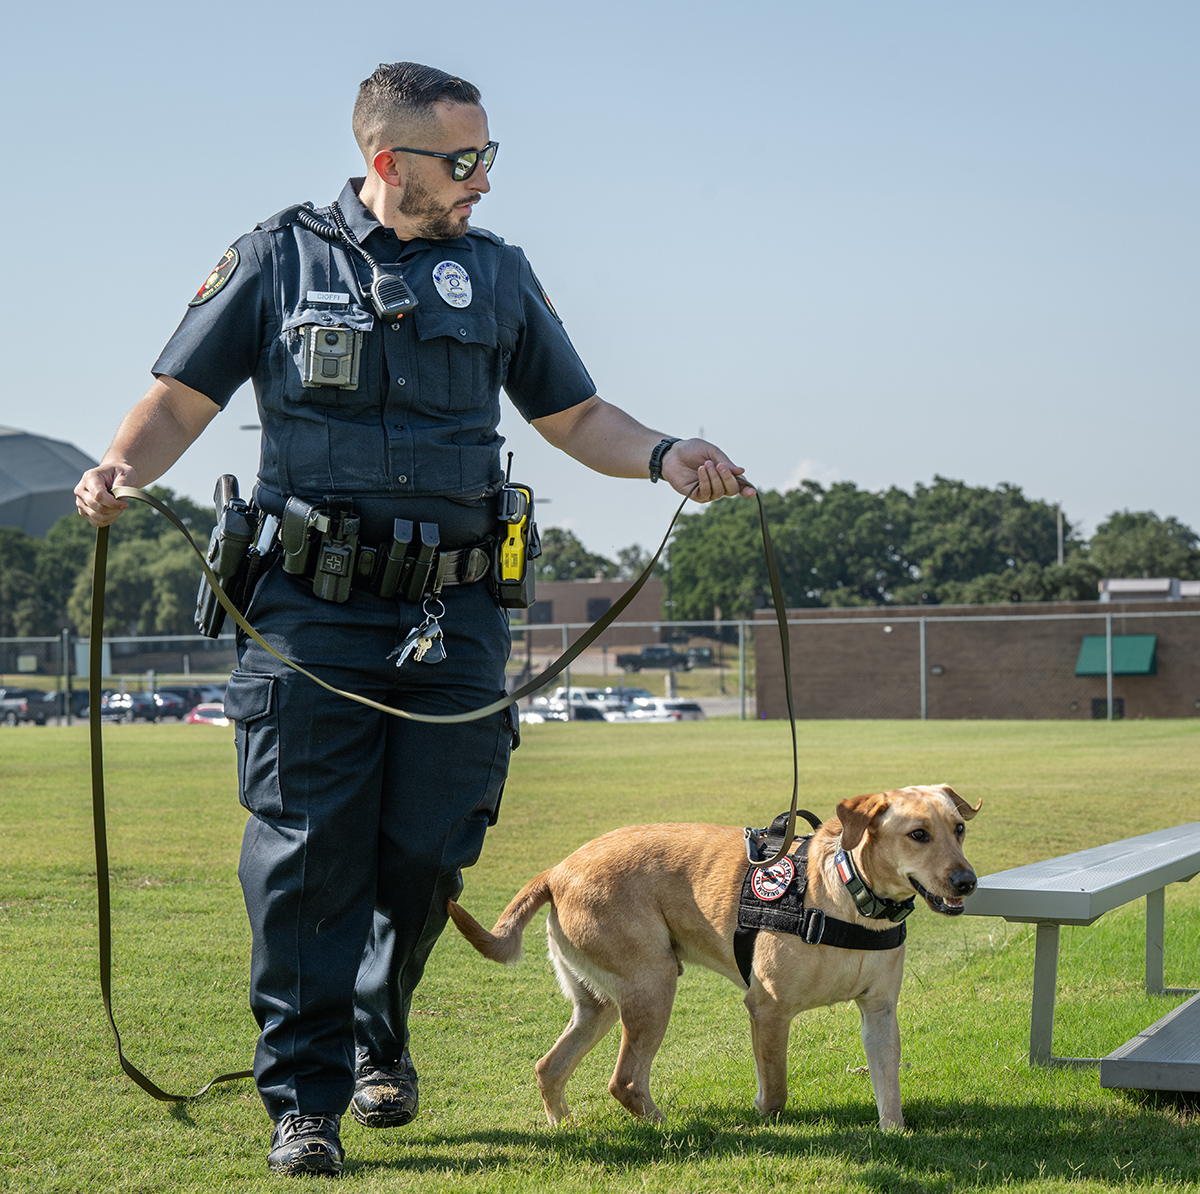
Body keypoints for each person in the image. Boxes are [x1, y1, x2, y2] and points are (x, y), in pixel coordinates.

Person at [75, 61, 755, 1177]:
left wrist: (665, 456)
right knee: (307, 854)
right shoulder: (276, 256)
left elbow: (575, 413)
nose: (484, 181)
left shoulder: (496, 273)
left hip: (456, 615)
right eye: (465, 160)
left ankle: (380, 1036)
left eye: (491, 157)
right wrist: (116, 466)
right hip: (310, 612)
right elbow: (177, 400)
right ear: (390, 161)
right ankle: (306, 1097)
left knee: (424, 852)